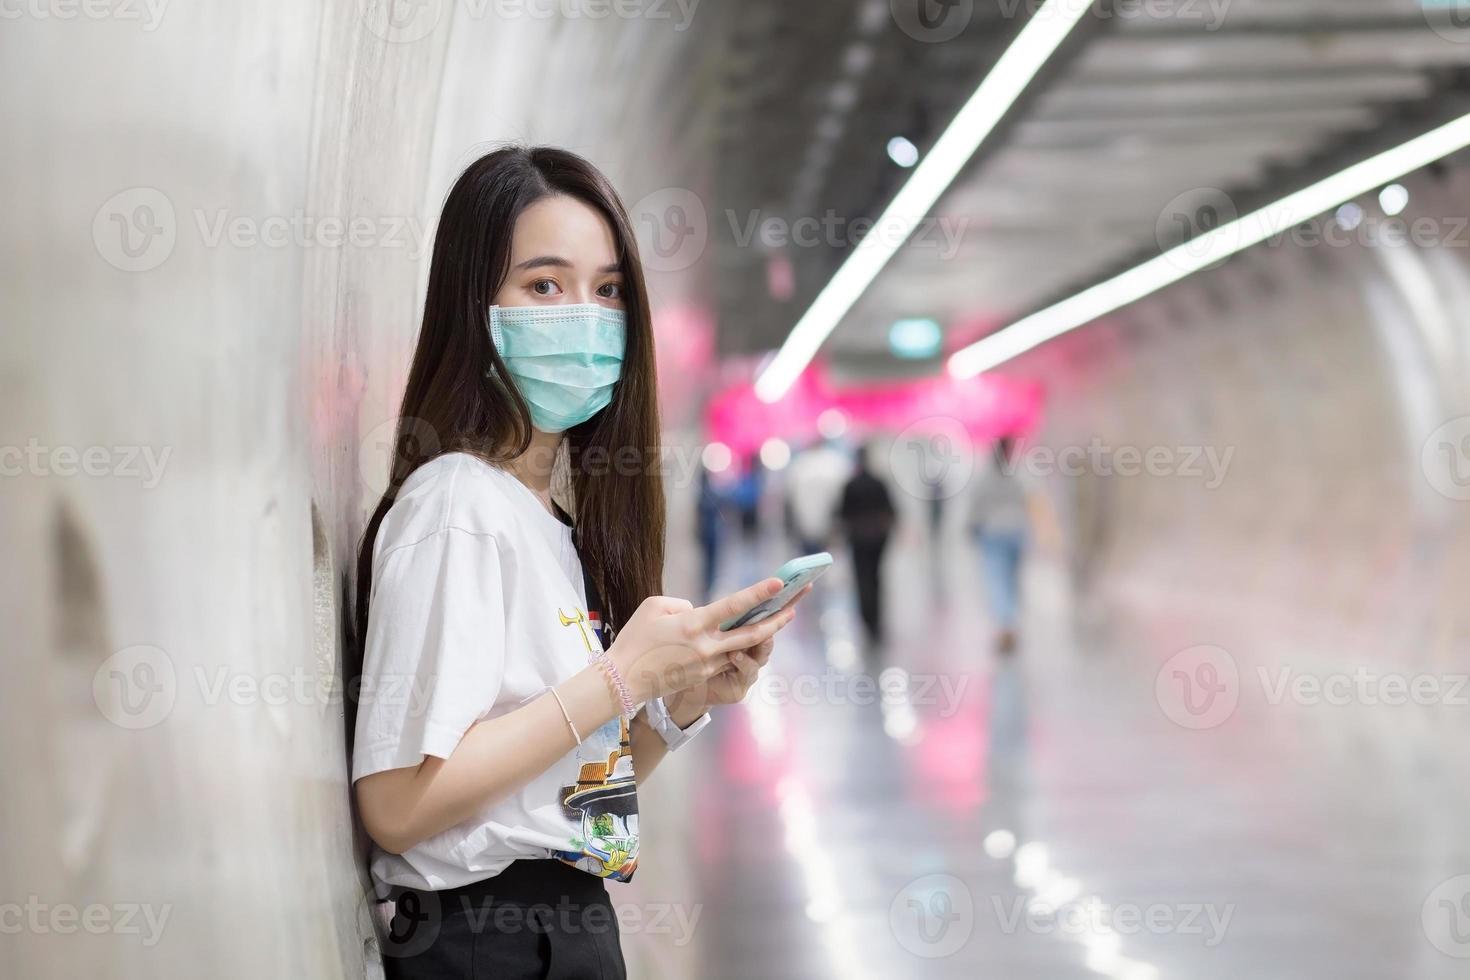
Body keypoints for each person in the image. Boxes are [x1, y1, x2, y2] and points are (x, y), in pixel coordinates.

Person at [350, 147, 810, 980]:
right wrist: (617, 677)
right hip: (482, 941)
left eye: (608, 292)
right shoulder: (456, 503)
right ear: (474, 302)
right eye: (543, 285)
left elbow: (559, 793)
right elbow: (397, 803)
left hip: (563, 927)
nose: (586, 318)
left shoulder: (551, 525)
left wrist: (677, 702)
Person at [969, 436, 1031, 654]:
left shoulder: (986, 479)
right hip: (1014, 531)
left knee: (998, 579)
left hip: (995, 533)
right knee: (1010, 580)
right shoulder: (1017, 475)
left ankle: (1005, 624)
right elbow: (1026, 501)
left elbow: (976, 508)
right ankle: (1008, 623)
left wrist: (973, 528)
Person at [836, 442, 896, 648]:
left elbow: (841, 514)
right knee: (876, 577)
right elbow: (891, 510)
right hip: (878, 537)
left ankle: (867, 618)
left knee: (862, 579)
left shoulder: (850, 484)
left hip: (858, 538)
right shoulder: (879, 482)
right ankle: (876, 619)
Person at [785, 436, 850, 556]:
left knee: (810, 559)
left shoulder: (799, 465)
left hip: (806, 522)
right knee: (824, 558)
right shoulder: (834, 463)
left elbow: (790, 497)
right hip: (824, 522)